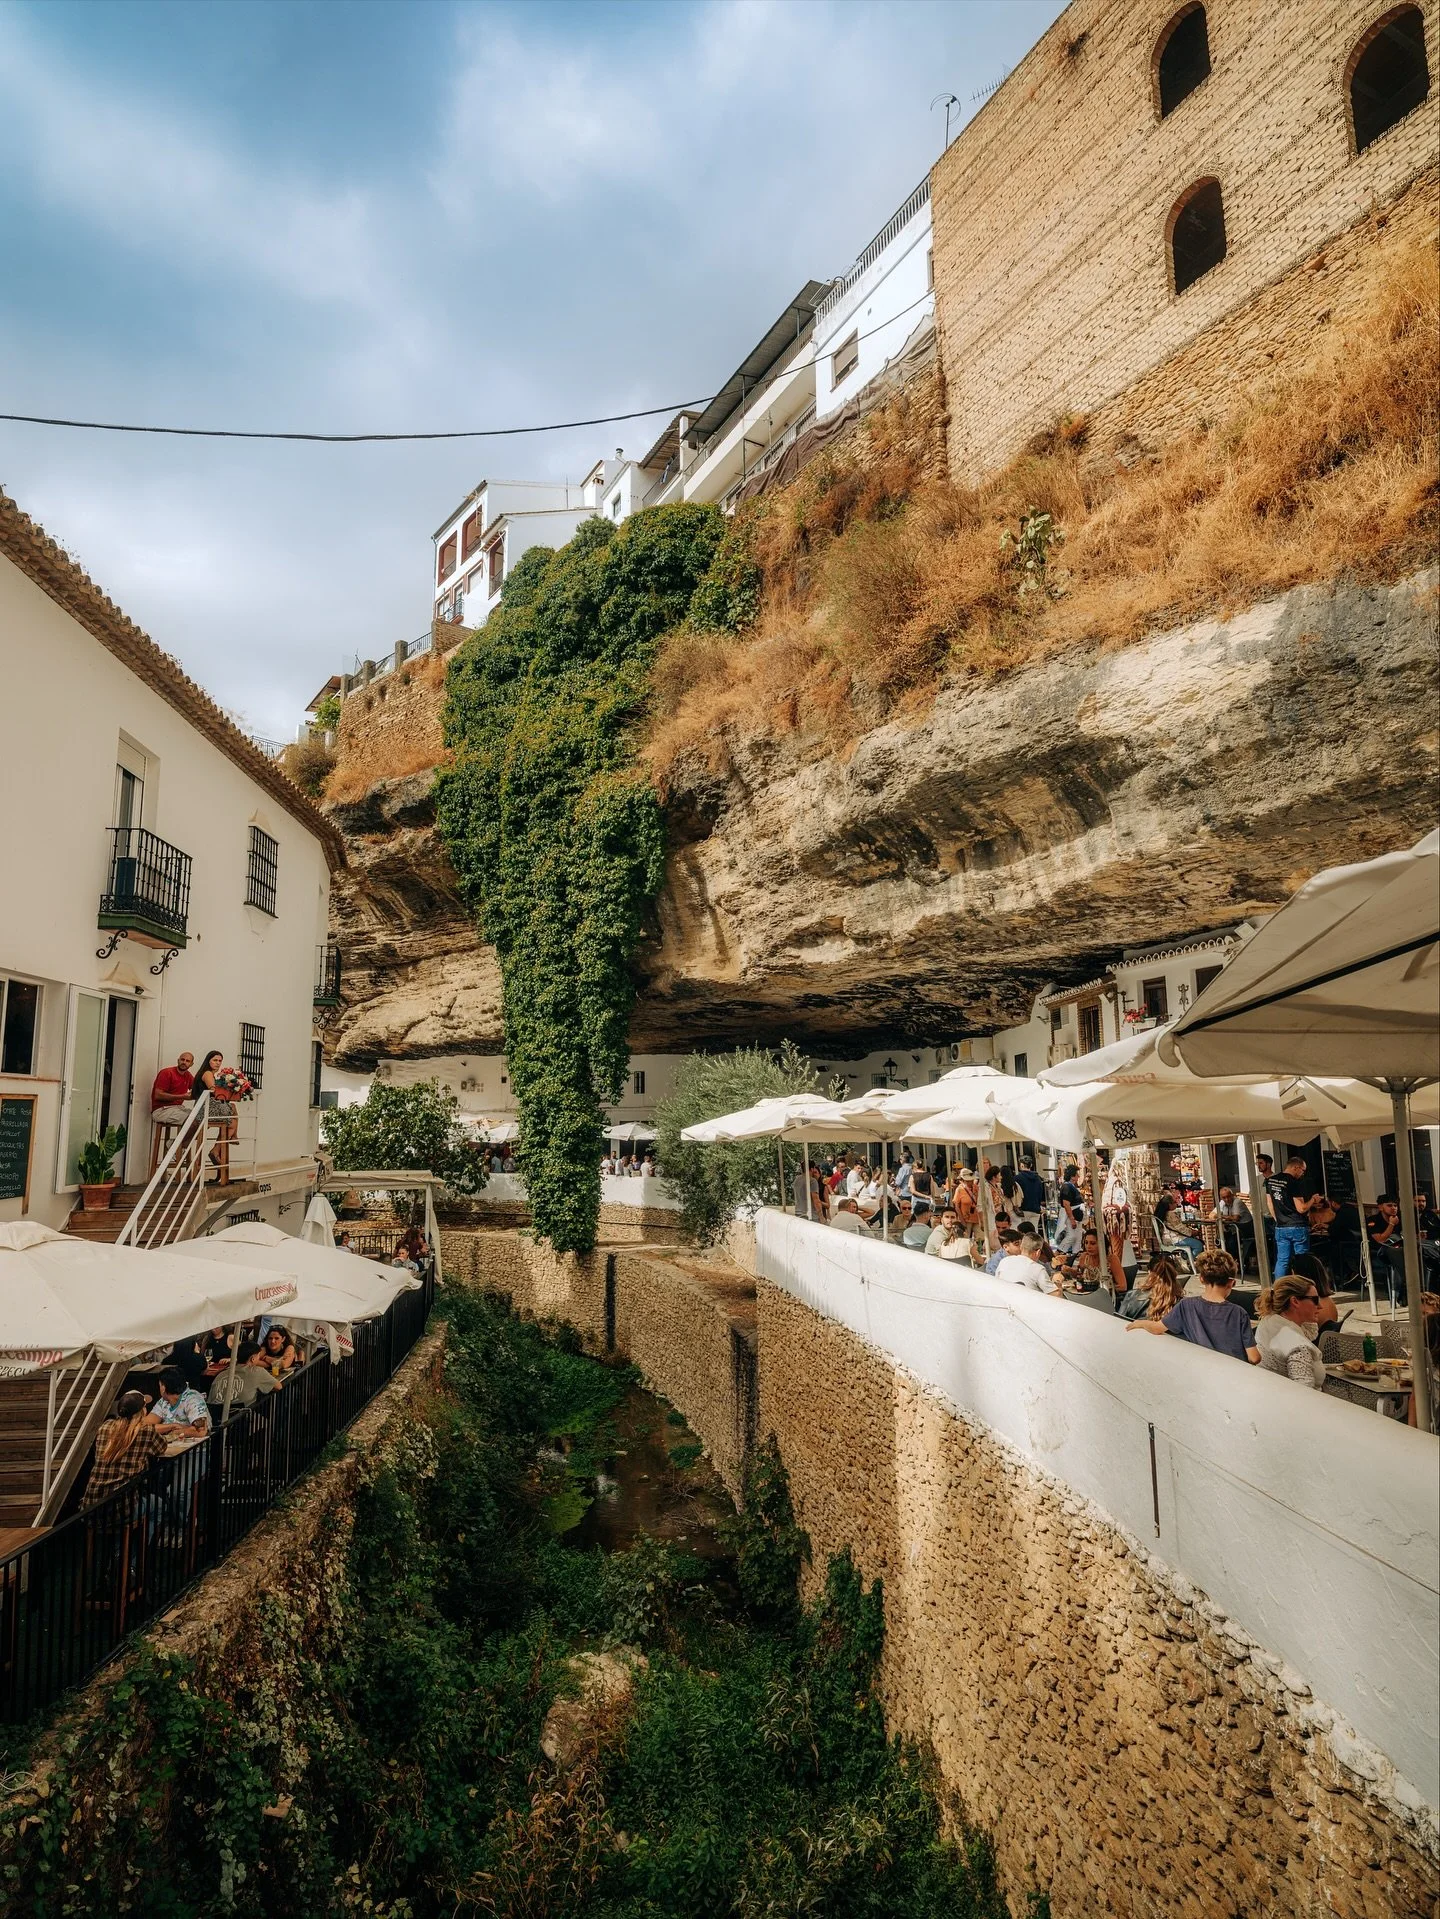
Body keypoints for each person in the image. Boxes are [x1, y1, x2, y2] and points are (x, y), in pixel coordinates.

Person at [1130, 1250, 1259, 1362]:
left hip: (1201, 1371)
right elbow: (1254, 1358)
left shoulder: (1186, 1305)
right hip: (1235, 1375)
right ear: (1232, 1283)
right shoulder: (1239, 1313)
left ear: (1201, 1279)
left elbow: (1156, 1328)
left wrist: (1141, 1323)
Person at [82, 1390, 168, 1510]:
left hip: (91, 1505)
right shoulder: (146, 1431)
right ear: (142, 1411)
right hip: (123, 1506)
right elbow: (161, 1447)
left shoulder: (105, 1427)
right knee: (158, 1506)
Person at [1255, 1275, 1326, 1388]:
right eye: (1315, 1300)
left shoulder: (1269, 1321)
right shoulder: (1298, 1346)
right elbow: (1305, 1391)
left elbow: (1309, 1331)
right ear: (1295, 1301)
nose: (1320, 1306)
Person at [194, 1048, 240, 1185]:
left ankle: (218, 1148)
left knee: (232, 1113)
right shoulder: (207, 1073)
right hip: (207, 1107)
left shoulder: (211, 1073)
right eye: (215, 1060)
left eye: (220, 1061)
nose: (218, 1063)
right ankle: (217, 1149)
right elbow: (214, 1090)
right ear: (208, 1061)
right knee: (232, 1119)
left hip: (210, 1105)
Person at [1119, 1254, 1186, 1325]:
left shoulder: (1132, 1295)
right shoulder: (1182, 1303)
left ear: (1149, 1272)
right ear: (1174, 1273)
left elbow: (1119, 1323)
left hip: (1136, 1335)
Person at [145, 1366, 212, 1438]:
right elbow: (145, 1426)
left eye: (160, 1385)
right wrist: (172, 1426)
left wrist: (174, 1432)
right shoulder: (163, 1402)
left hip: (194, 1447)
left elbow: (201, 1431)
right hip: (171, 1446)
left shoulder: (193, 1398)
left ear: (163, 1387)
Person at [994, 1233, 1059, 1295]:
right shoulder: (1037, 1269)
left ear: (1021, 1247)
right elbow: (1056, 1296)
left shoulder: (1004, 1261)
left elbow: (997, 1283)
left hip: (1005, 1302)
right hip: (1029, 1304)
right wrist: (1058, 1282)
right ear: (1038, 1252)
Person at [1014, 1155, 1046, 1228]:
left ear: (1021, 1165)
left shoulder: (1017, 1178)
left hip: (1023, 1210)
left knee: (1023, 1233)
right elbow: (1040, 1194)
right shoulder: (1038, 1178)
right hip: (1036, 1209)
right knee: (1034, 1232)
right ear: (1031, 1165)